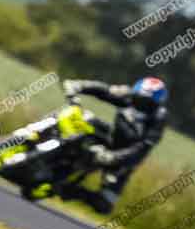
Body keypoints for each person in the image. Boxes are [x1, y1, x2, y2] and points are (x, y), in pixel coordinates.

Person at [60, 76, 168, 214]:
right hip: (110, 139)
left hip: (124, 159)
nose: (141, 104)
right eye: (139, 99)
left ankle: (70, 190)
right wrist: (79, 86)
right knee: (85, 122)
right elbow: (104, 90)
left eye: (147, 103)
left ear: (156, 105)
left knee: (105, 204)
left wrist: (113, 157)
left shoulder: (158, 118)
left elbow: (143, 148)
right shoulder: (127, 95)